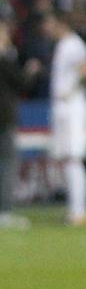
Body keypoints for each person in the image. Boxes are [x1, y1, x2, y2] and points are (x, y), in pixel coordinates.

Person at [43, 9, 86, 226]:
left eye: (48, 22)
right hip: (62, 107)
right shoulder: (63, 45)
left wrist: (72, 90)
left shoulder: (73, 44)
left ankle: (79, 211)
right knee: (66, 159)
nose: (45, 28)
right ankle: (73, 209)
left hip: (72, 107)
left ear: (59, 23)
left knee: (74, 158)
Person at [0, 18, 34, 230]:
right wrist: (31, 70)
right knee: (8, 164)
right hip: (4, 118)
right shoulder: (4, 60)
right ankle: (4, 211)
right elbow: (22, 83)